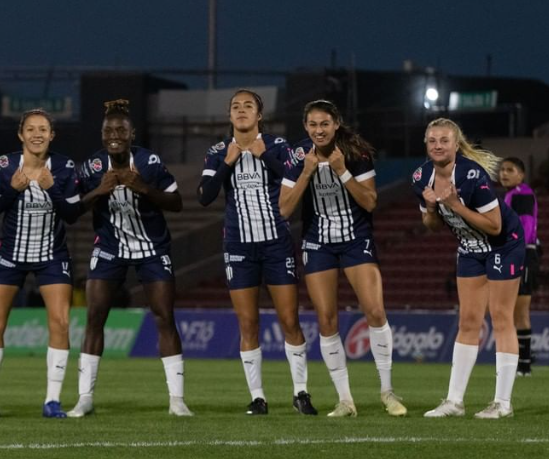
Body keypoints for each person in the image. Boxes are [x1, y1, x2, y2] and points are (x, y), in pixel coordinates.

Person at [279, 100, 405, 417]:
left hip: (355, 240)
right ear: (305, 127)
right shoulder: (298, 156)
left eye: (324, 123)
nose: (319, 130)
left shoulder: (355, 152)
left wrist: (342, 171)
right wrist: (307, 172)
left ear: (336, 124)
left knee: (375, 311)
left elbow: (370, 201)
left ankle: (388, 392)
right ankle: (345, 400)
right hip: (318, 243)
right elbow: (284, 208)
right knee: (326, 319)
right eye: (312, 124)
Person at [68, 99, 192, 417]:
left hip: (152, 248)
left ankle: (177, 401)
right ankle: (85, 398)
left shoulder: (149, 162)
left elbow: (177, 202)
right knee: (95, 317)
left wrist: (144, 188)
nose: (115, 135)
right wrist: (98, 192)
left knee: (164, 317)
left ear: (131, 134)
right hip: (110, 248)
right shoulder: (93, 167)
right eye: (109, 130)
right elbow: (71, 210)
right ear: (102, 135)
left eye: (121, 130)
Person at [198, 89, 316, 416]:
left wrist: (265, 157)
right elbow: (205, 196)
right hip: (239, 246)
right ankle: (258, 397)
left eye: (248, 106)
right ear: (229, 115)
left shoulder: (277, 146)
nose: (241, 110)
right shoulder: (218, 151)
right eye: (236, 106)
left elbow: (296, 179)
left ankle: (301, 393)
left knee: (290, 320)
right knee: (248, 323)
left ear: (259, 115)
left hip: (276, 243)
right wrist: (227, 163)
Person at [0, 109, 81, 419]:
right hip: (10, 255)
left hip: (52, 256)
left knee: (60, 323)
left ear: (52, 135)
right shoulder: (5, 165)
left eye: (43, 129)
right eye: (31, 129)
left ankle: (52, 401)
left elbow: (73, 215)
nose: (37, 134)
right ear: (21, 134)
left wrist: (52, 188)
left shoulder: (64, 167)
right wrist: (12, 189)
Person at [415, 118, 524, 419]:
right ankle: (454, 402)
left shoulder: (472, 175)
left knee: (501, 317)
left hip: (504, 244)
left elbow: (495, 225)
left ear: (456, 144)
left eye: (444, 140)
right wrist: (432, 208)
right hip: (470, 248)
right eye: (432, 140)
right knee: (468, 321)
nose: (438, 145)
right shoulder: (421, 177)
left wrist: (456, 205)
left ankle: (503, 403)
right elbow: (431, 225)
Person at [498, 157, 540, 377]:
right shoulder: (511, 195)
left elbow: (525, 227)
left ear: (521, 175)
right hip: (517, 253)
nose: (503, 173)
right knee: (513, 312)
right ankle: (522, 361)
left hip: (521, 254)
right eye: (502, 169)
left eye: (510, 170)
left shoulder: (522, 194)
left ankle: (524, 365)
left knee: (520, 311)